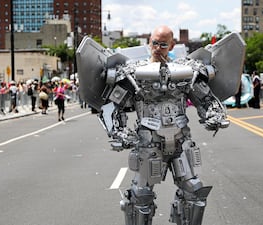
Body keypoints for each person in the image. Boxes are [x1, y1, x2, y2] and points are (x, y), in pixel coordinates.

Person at [82, 25, 232, 225]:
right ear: (148, 43)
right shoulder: (133, 74)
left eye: (163, 44)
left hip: (181, 144)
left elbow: (206, 99)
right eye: (155, 43)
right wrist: (119, 132)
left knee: (194, 193)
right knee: (140, 198)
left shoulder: (186, 72)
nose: (158, 47)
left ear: (171, 45)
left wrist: (213, 115)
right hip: (149, 146)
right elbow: (111, 106)